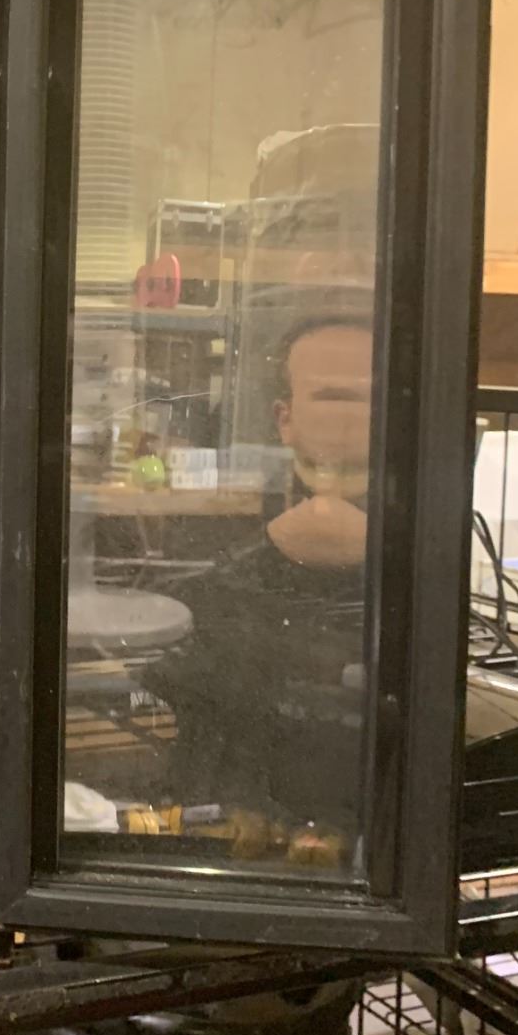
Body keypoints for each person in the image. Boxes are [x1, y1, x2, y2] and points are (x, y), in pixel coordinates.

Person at [140, 313, 375, 865]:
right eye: (335, 397)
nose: (358, 415)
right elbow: (197, 708)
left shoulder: (427, 552)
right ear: (284, 419)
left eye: (373, 398)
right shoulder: (216, 542)